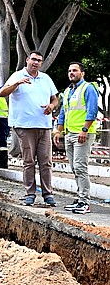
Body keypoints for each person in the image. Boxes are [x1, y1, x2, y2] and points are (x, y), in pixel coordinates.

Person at [0, 51, 59, 206]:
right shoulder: (17, 76)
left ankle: (48, 194)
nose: (36, 62)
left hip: (44, 126)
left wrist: (51, 106)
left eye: (39, 60)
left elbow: (55, 98)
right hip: (24, 126)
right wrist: (17, 83)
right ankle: (30, 194)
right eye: (33, 59)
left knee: (46, 162)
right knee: (29, 161)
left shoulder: (45, 78)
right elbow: (2, 92)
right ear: (27, 60)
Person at [53, 62, 99, 214]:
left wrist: (84, 130)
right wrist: (58, 131)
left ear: (82, 73)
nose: (71, 73)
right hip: (69, 134)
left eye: (75, 70)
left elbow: (92, 110)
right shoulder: (67, 91)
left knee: (80, 166)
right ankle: (80, 199)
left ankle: (85, 202)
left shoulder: (88, 88)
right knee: (74, 168)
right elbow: (63, 113)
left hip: (82, 134)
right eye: (69, 70)